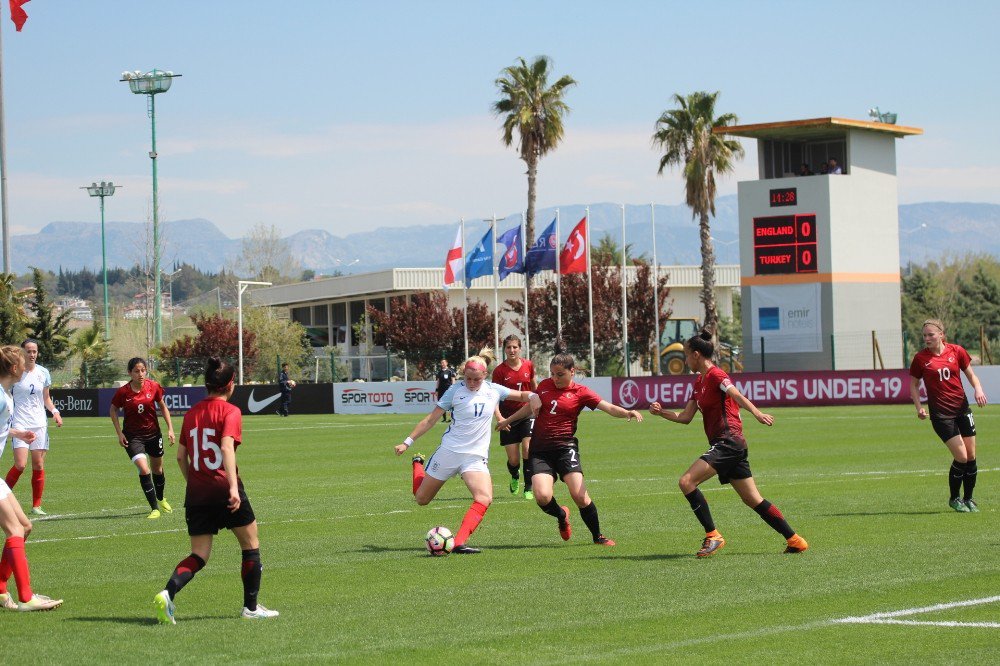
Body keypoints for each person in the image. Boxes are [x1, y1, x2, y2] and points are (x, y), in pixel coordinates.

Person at [648, 328, 808, 557]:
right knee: (753, 499)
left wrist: (757, 413)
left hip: (728, 442)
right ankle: (795, 540)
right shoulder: (698, 382)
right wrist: (661, 412)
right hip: (731, 446)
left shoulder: (717, 375)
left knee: (686, 482)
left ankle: (713, 535)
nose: (684, 359)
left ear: (696, 354)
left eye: (685, 354)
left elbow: (737, 395)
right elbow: (685, 417)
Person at [154, 357, 278, 624]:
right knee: (250, 544)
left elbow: (180, 458)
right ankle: (251, 608)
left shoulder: (191, 413)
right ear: (230, 385)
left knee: (199, 554)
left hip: (197, 493)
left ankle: (168, 592)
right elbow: (225, 447)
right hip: (224, 488)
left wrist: (195, 483)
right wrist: (233, 488)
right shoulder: (230, 412)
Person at [497, 341, 642, 547]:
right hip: (541, 452)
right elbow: (529, 407)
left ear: (572, 372)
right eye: (552, 374)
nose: (555, 379)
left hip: (565, 449)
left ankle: (598, 537)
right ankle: (561, 515)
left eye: (560, 375)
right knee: (542, 496)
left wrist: (627, 412)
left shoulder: (581, 392)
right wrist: (507, 420)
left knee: (580, 496)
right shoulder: (545, 386)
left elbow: (607, 407)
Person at [394, 348, 537, 554]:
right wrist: (407, 442)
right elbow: (430, 419)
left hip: (475, 457)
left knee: (484, 497)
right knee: (421, 499)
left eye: (476, 380)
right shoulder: (454, 391)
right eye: (468, 379)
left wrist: (534, 395)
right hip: (449, 453)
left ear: (484, 376)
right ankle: (418, 465)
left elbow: (523, 395)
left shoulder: (493, 389)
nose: (471, 384)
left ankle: (459, 542)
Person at [0, 345, 62, 611]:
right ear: (14, 368)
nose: (28, 361)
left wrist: (17, 434)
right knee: (15, 529)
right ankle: (26, 597)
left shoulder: (4, 395)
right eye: (22, 359)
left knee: (24, 527)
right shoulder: (2, 397)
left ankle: (1, 589)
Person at [908, 318, 988, 513]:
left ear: (941, 335)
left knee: (971, 456)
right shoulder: (920, 359)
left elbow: (970, 374)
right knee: (961, 457)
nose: (927, 338)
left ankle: (968, 499)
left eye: (931, 335)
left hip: (962, 409)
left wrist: (978, 389)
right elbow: (913, 385)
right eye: (924, 335)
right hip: (942, 415)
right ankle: (954, 498)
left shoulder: (956, 351)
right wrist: (918, 407)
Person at [109, 357, 176, 519]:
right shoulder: (123, 392)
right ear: (129, 373)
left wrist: (171, 429)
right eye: (136, 371)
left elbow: (163, 406)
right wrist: (120, 433)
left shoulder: (153, 386)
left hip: (153, 434)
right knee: (144, 469)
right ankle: (154, 509)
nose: (140, 374)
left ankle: (161, 498)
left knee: (157, 470)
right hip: (133, 438)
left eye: (143, 370)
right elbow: (113, 410)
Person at [5, 339, 62, 516]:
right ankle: (3, 497)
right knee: (20, 465)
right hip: (20, 424)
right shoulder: (15, 372)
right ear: (22, 352)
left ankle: (36, 505)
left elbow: (46, 398)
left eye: (34, 351)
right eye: (28, 351)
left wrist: (55, 412)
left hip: (39, 424)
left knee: (38, 464)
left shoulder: (43, 373)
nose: (32, 354)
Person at [491, 334, 536, 498]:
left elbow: (533, 387)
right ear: (504, 349)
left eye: (515, 347)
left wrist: (539, 402)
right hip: (508, 417)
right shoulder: (499, 371)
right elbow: (494, 396)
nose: (512, 350)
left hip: (527, 413)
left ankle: (529, 487)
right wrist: (499, 417)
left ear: (520, 349)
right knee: (514, 460)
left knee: (528, 449)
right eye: (508, 347)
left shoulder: (529, 365)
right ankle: (515, 475)